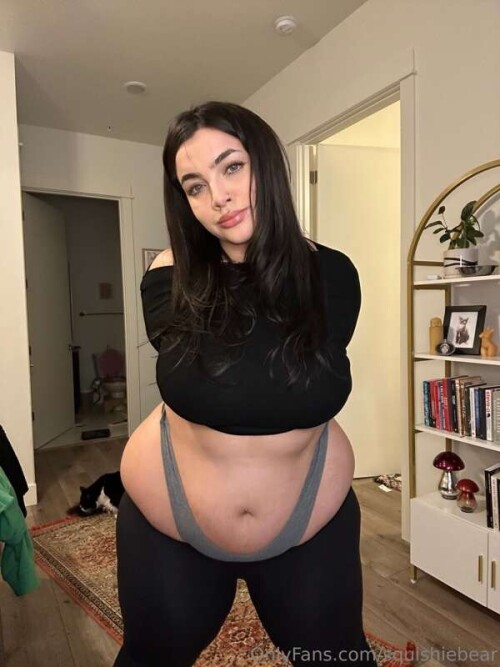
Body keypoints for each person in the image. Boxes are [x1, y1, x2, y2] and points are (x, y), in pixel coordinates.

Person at [114, 101, 376, 666]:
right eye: (195, 186)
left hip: (309, 513)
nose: (218, 197)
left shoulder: (335, 276)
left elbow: (286, 378)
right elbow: (230, 378)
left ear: (267, 164)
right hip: (171, 514)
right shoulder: (170, 276)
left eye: (231, 167)